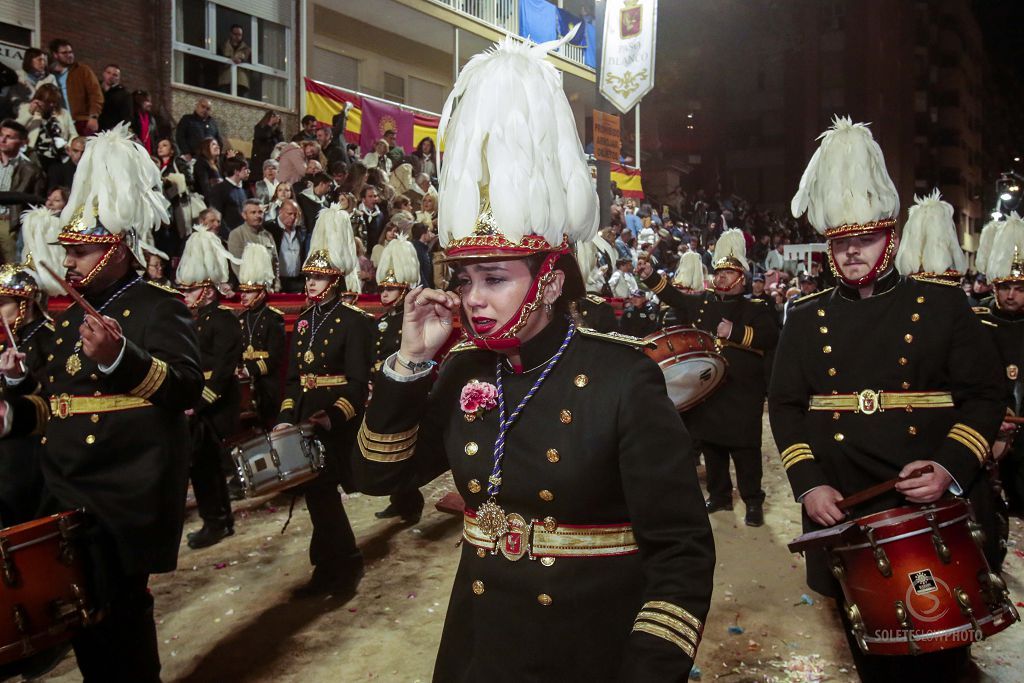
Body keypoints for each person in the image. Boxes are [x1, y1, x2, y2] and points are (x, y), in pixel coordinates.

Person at [351, 37, 714, 681]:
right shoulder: (463, 368)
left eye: (494, 279)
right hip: (480, 648)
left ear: (549, 281)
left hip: (589, 651)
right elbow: (377, 478)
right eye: (464, 281)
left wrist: (651, 669)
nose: (474, 299)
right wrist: (409, 361)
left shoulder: (622, 376)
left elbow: (681, 551)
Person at [770, 117, 1004, 682]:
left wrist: (950, 466)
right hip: (847, 509)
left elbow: (985, 394)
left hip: (929, 509)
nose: (850, 254)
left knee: (944, 655)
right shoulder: (805, 318)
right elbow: (785, 407)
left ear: (890, 237)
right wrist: (810, 484)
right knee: (871, 654)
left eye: (864, 240)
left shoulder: (943, 305)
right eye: (840, 242)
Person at [0, 125, 202, 681]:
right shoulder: (69, 317)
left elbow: (186, 388)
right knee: (83, 622)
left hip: (123, 491)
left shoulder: (160, 305)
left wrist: (121, 358)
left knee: (120, 625)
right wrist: (16, 401)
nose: (67, 263)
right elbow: (58, 401)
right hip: (67, 485)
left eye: (81, 251)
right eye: (66, 252)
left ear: (115, 248)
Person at [640, 228, 779, 526]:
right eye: (718, 273)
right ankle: (719, 495)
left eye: (728, 274)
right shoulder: (703, 302)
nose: (721, 278)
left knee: (745, 449)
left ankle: (753, 500)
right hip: (711, 387)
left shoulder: (755, 307)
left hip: (743, 389)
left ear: (741, 277)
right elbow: (675, 298)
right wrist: (651, 275)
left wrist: (736, 333)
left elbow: (770, 337)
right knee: (712, 444)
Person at [274, 205, 372, 598]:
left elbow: (358, 383)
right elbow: (295, 378)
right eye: (309, 276)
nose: (310, 282)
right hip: (303, 421)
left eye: (317, 277)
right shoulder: (303, 321)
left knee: (323, 496)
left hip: (333, 422)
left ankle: (344, 564)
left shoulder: (355, 321)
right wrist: (284, 418)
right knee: (317, 498)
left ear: (333, 279)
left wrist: (332, 416)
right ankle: (330, 564)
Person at [175, 228, 241, 549]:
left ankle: (217, 521)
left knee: (209, 468)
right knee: (204, 468)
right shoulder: (193, 320)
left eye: (191, 289)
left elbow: (225, 370)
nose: (185, 295)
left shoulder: (224, 320)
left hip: (215, 405)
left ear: (208, 290)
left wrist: (199, 403)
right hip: (197, 404)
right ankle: (218, 520)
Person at [368, 235, 425, 522]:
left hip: (405, 390)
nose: (385, 293)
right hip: (384, 387)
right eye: (383, 288)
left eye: (391, 288)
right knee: (390, 446)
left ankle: (411, 502)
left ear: (403, 289)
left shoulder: (411, 320)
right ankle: (398, 498)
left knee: (405, 446)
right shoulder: (383, 320)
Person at [0, 243, 54, 526]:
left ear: (26, 301)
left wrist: (18, 379)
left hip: (36, 452)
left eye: (3, 303)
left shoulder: (49, 337)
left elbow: (53, 396)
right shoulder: (10, 341)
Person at [236, 244, 285, 428]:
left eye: (249, 292)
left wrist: (251, 369)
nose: (244, 296)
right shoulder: (241, 318)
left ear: (261, 292)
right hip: (245, 384)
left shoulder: (273, 318)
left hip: (266, 383)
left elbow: (276, 357)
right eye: (243, 291)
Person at [0, 120, 44, 263]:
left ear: (22, 142)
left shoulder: (30, 169)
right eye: (1, 135)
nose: (3, 140)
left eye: (10, 137)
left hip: (8, 223)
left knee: (11, 263)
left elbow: (36, 200)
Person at [15, 83, 74, 178]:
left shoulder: (63, 113)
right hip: (34, 154)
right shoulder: (26, 109)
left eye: (54, 102)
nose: (52, 105)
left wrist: (69, 146)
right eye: (49, 102)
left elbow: (73, 134)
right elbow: (15, 129)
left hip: (59, 156)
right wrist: (30, 113)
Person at [47, 39, 102, 136]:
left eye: (70, 52)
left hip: (81, 120)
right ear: (55, 55)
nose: (69, 55)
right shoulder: (50, 74)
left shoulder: (82, 70)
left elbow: (95, 94)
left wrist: (93, 116)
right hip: (59, 120)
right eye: (64, 53)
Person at [228, 199, 279, 286]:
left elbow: (275, 262)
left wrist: (277, 285)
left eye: (260, 212)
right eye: (253, 212)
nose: (257, 216)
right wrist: (251, 286)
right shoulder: (236, 234)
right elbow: (237, 265)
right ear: (244, 215)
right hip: (248, 288)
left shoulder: (268, 235)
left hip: (269, 288)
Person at [273, 199, 308, 293]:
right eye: (289, 213)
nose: (293, 217)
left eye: (295, 214)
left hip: (297, 282)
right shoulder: (270, 229)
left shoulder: (300, 231)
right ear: (280, 211)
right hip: (278, 283)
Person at [206, 156, 248, 236]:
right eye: (244, 169)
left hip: (242, 235)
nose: (247, 171)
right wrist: (228, 235)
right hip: (227, 237)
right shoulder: (219, 189)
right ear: (236, 172)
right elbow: (216, 215)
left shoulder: (242, 190)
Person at [219, 24, 251, 98]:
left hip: (241, 83)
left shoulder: (247, 49)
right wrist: (231, 59)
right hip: (225, 81)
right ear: (230, 34)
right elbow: (219, 63)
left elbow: (251, 65)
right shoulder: (223, 46)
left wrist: (242, 61)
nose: (237, 37)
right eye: (235, 34)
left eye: (240, 35)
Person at [98, 64, 131, 131]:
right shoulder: (95, 88)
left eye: (115, 75)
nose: (111, 76)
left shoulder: (124, 94)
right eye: (108, 73)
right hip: (92, 127)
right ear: (103, 73)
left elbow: (127, 116)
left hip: (110, 131)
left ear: (118, 78)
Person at [193, 137, 224, 201]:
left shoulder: (217, 164)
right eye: (213, 144)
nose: (218, 146)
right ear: (206, 148)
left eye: (217, 144)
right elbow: (205, 186)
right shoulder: (201, 163)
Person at [130, 89, 160, 155]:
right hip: (135, 152)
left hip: (149, 154)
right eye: (147, 101)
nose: (150, 104)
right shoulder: (131, 118)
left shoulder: (151, 119)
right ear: (139, 101)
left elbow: (156, 137)